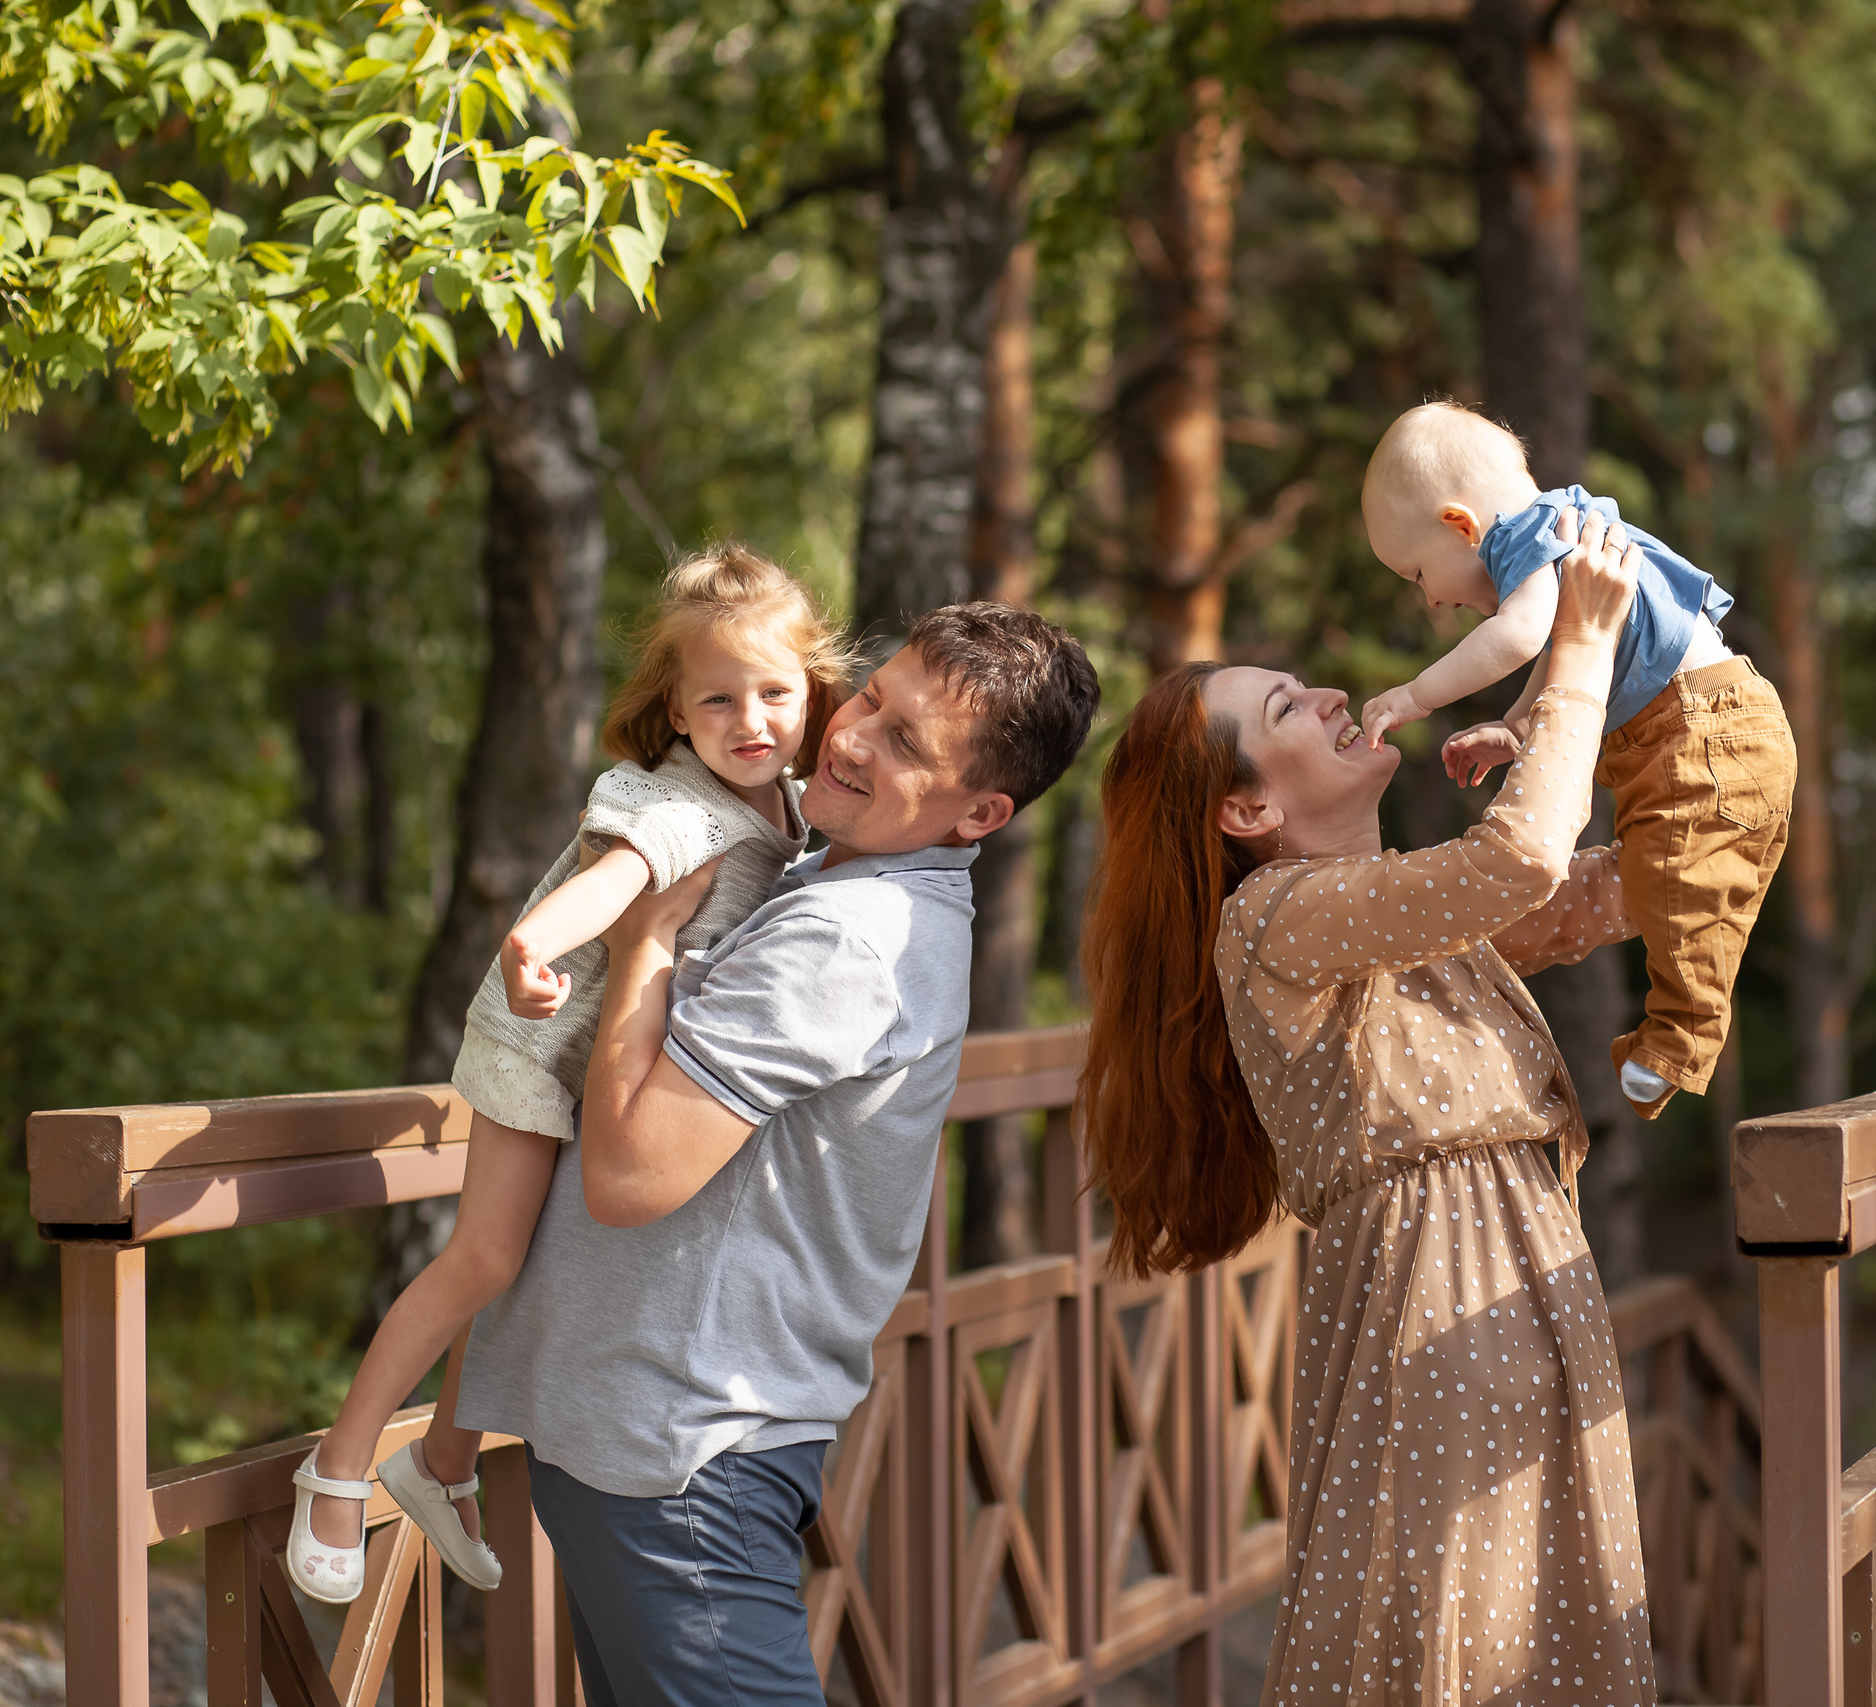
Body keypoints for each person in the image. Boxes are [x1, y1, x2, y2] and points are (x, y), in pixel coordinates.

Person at [454, 603, 1099, 1707]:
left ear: (977, 811)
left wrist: (645, 940)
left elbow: (629, 1176)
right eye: (871, 701)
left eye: (906, 743)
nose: (849, 738)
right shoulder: (840, 877)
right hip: (666, 1438)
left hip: (681, 1453)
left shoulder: (849, 936)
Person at [1080, 511, 1657, 1707]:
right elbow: (1521, 865)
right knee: (1456, 1622)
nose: (1334, 693)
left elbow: (1612, 883)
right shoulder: (1275, 918)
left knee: (1531, 1615)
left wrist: (1714, 761)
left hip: (1513, 1267)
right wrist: (1579, 657)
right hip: (1436, 1284)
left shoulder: (1389, 903)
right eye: (1287, 708)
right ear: (1245, 813)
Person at [288, 547, 857, 1604]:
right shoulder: (681, 806)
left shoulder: (790, 808)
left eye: (776, 694)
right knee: (485, 1259)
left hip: (611, 1066)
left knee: (537, 1263)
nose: (752, 720)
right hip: (541, 1047)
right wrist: (532, 947)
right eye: (719, 699)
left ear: (812, 693)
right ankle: (335, 1469)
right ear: (677, 712)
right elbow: (615, 882)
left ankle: (442, 1463)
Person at [1353, 401, 1796, 1117]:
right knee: (1674, 879)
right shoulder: (1557, 532)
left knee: (1678, 887)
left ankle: (1681, 1038)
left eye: (1417, 573)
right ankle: (1680, 1027)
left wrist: (1417, 694)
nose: (1433, 598)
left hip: (1705, 731)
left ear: (1460, 525)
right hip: (1693, 733)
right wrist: (1516, 727)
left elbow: (1521, 636)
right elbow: (1567, 646)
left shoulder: (1529, 539)